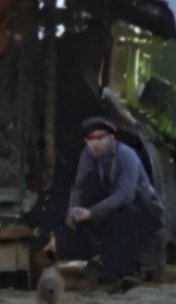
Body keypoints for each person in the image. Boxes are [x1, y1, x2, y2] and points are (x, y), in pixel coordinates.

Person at [65, 117, 165, 288]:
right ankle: (98, 264)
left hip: (143, 209)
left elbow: (125, 194)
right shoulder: (88, 154)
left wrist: (92, 212)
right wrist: (72, 210)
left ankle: (126, 271)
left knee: (123, 217)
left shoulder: (126, 155)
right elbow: (79, 185)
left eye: (100, 138)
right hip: (111, 207)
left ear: (112, 138)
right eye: (90, 139)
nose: (94, 144)